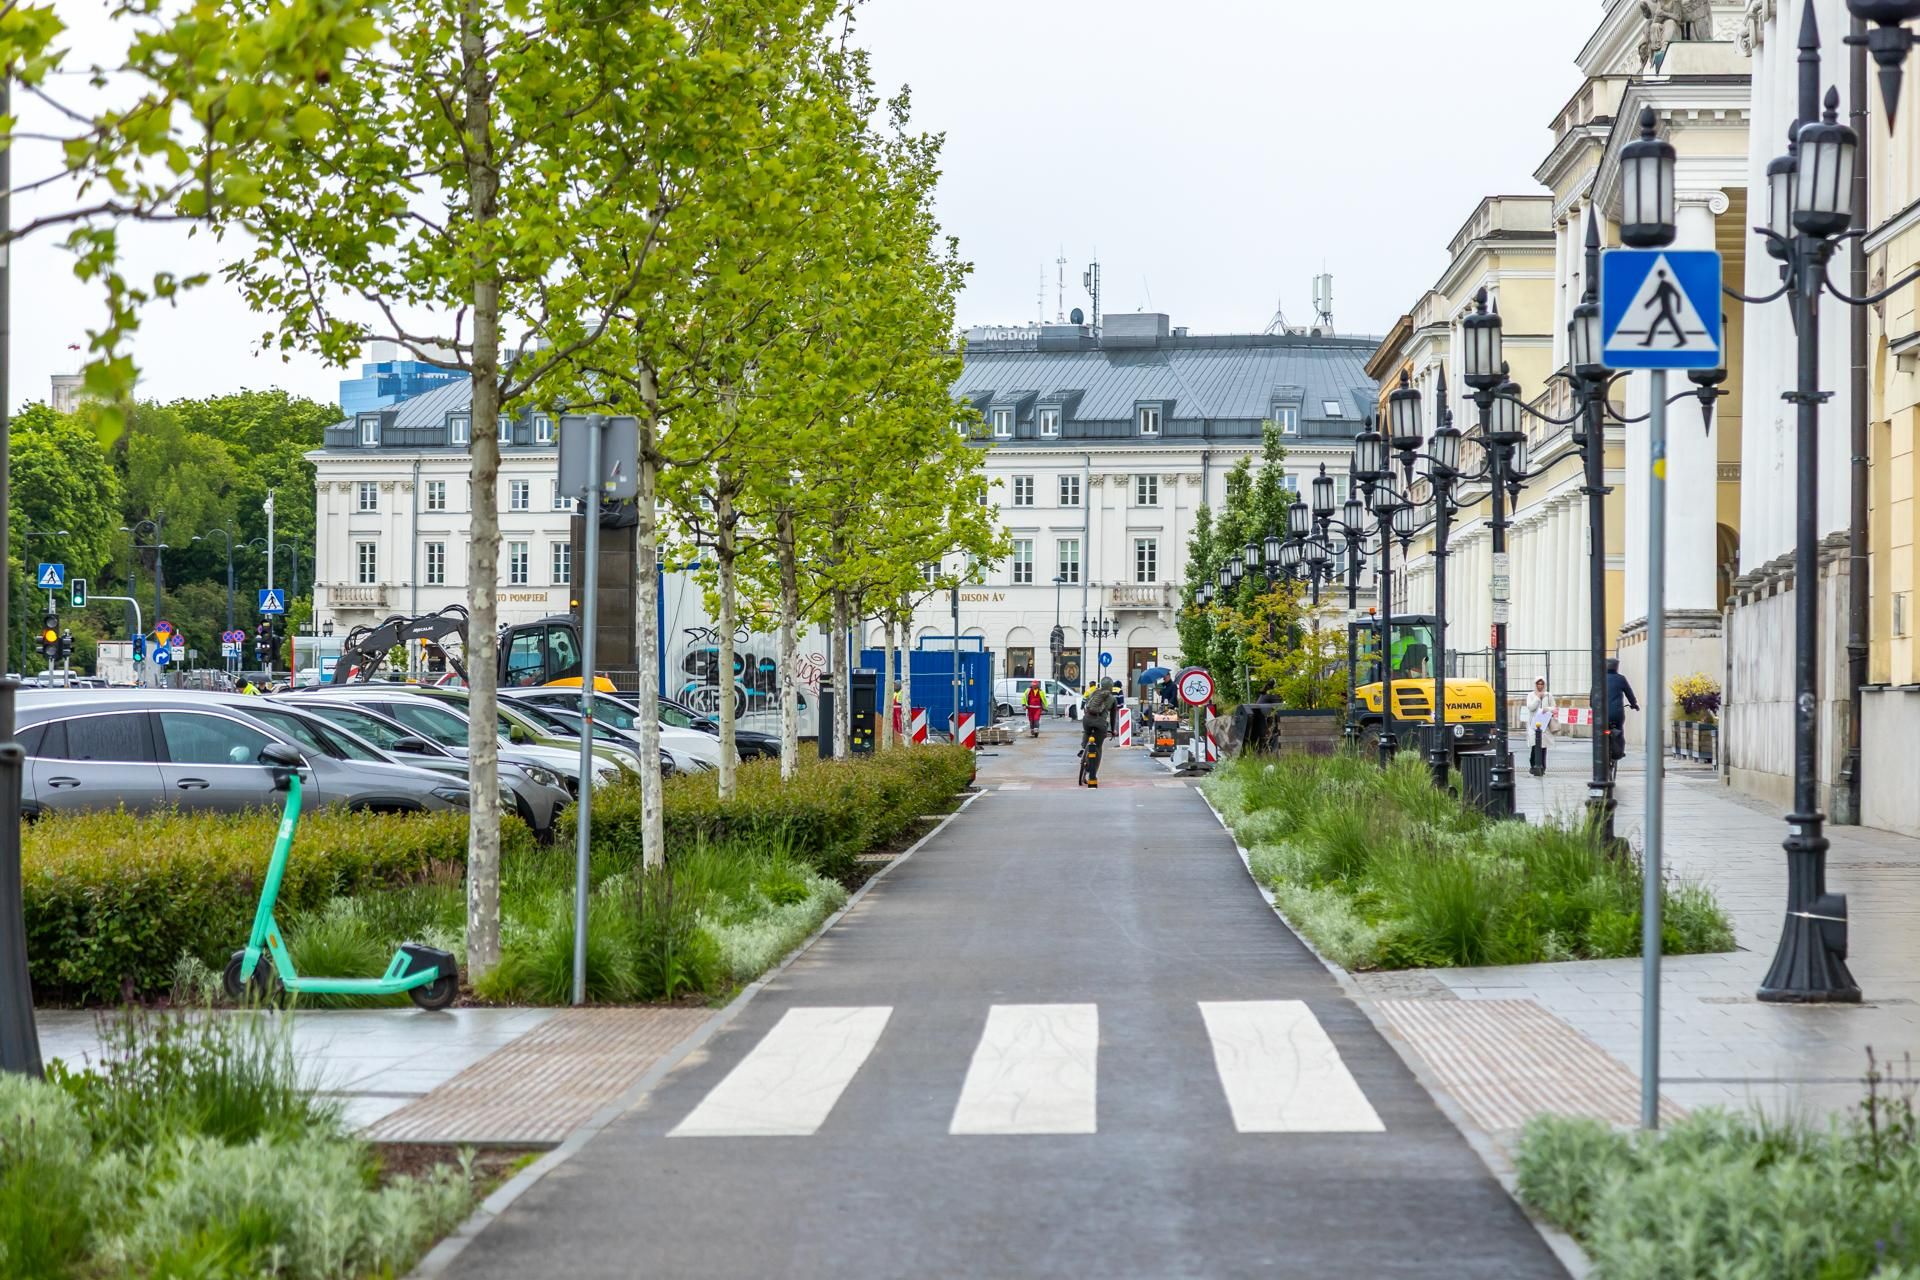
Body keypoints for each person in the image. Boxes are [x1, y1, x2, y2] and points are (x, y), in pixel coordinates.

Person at [1080, 677, 1118, 788]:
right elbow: (1112, 717)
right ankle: (1093, 775)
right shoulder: (1112, 699)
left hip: (1087, 720)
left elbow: (1086, 706)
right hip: (1100, 724)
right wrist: (1113, 730)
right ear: (1111, 687)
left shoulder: (1094, 693)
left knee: (1087, 732)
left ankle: (1083, 748)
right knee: (1098, 748)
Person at [1604, 658, 1639, 768]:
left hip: (1602, 713)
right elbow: (1629, 694)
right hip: (1616, 713)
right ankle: (1619, 751)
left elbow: (1592, 697)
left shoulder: (1599, 679)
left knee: (1600, 731)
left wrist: (1594, 706)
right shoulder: (1621, 679)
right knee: (1619, 730)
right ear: (1616, 667)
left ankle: (1601, 751)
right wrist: (1634, 704)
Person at [1525, 678, 1557, 777]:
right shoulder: (1531, 695)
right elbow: (1530, 707)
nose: (1540, 686)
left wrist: (1548, 709)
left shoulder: (1548, 695)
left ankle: (1542, 767)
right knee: (1534, 745)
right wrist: (1538, 698)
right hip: (1533, 724)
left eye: (1542, 684)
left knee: (1543, 747)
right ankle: (1533, 765)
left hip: (1544, 724)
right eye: (1538, 684)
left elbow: (1554, 707)